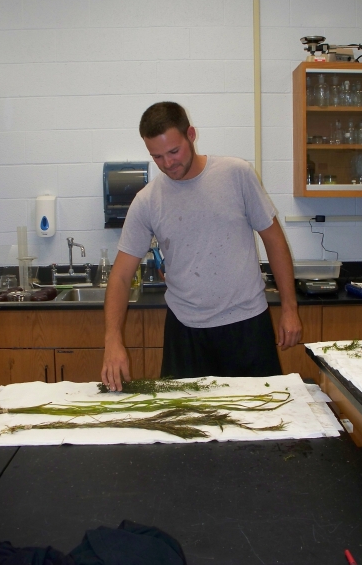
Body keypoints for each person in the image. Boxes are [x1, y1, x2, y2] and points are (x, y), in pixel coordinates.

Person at [101, 102, 301, 391]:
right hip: (185, 334)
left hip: (246, 326)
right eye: (157, 157)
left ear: (191, 134)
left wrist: (290, 309)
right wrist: (112, 340)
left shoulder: (236, 174)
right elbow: (120, 277)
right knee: (189, 426)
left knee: (260, 422)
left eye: (174, 152)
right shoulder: (148, 201)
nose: (168, 163)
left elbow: (274, 240)